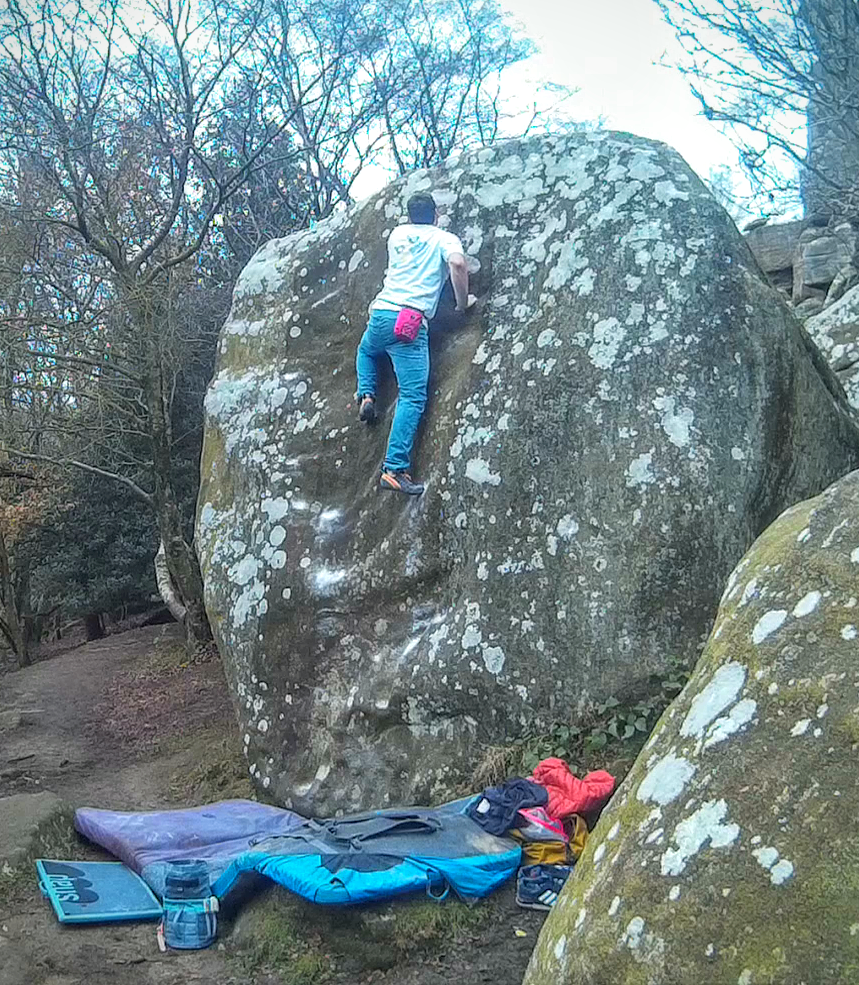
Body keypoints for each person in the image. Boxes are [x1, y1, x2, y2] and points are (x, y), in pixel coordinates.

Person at [356, 192, 475, 496]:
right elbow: (458, 264)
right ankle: (394, 469)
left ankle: (366, 395)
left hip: (381, 312)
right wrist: (462, 303)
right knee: (412, 396)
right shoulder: (445, 239)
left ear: (409, 216)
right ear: (436, 215)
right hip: (408, 322)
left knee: (367, 350)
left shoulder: (397, 234)